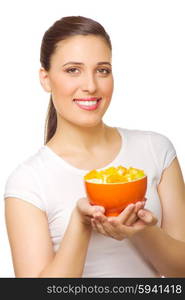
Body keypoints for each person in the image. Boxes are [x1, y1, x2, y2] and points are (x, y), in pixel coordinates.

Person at [4, 16, 185, 278]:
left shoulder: (157, 150)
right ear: (45, 79)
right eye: (72, 70)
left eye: (102, 70)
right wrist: (80, 224)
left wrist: (142, 229)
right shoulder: (28, 182)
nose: (90, 86)